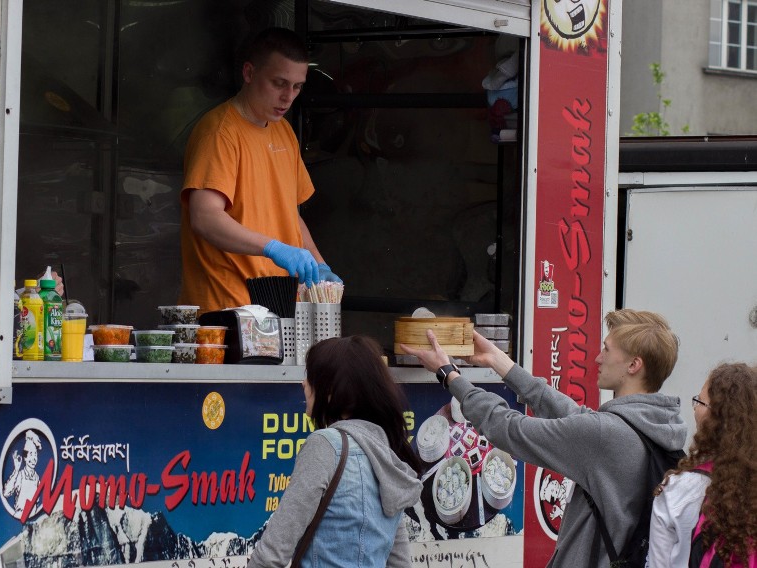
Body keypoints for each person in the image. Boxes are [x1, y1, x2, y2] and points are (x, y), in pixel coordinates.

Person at [401, 309, 687, 568]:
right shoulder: (656, 425)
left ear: (633, 365)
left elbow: (510, 429)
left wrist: (449, 375)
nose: (598, 357)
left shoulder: (606, 435)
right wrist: (499, 362)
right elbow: (572, 414)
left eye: (607, 349)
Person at [180, 27, 341, 314]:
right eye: (279, 83)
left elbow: (289, 213)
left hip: (276, 303)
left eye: (297, 86)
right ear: (249, 73)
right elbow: (205, 218)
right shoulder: (220, 133)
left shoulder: (284, 132)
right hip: (227, 308)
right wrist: (273, 248)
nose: (288, 96)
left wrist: (319, 263)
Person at [247, 336, 422, 568]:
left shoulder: (324, 445)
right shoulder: (386, 452)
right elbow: (400, 563)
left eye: (310, 376)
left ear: (329, 390)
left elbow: (272, 553)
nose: (303, 384)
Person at [648, 363, 756, 567]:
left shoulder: (678, 489)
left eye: (699, 401)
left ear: (714, 418)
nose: (695, 408)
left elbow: (658, 563)